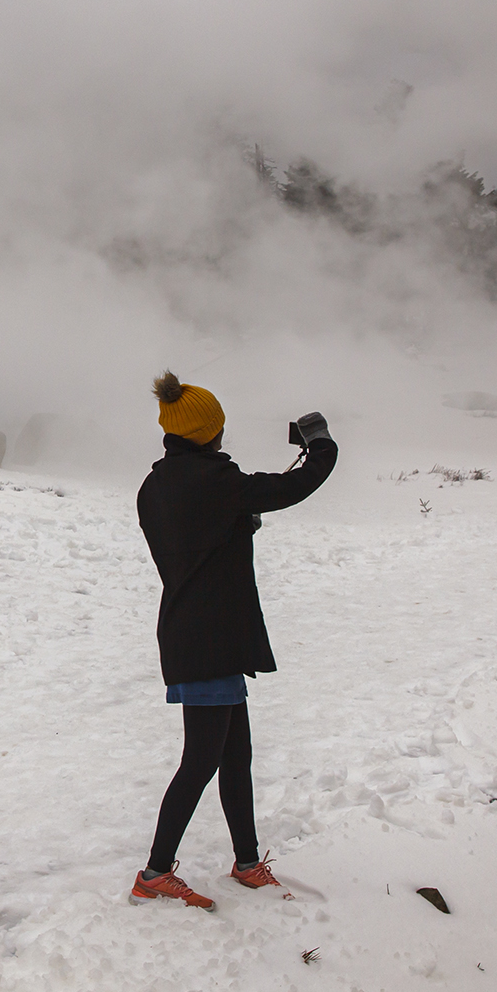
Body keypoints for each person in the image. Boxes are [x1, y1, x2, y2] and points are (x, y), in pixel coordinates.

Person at [129, 371, 337, 910]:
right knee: (201, 760)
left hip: (194, 634)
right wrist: (321, 442)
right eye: (219, 428)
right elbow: (295, 485)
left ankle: (246, 863)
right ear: (206, 433)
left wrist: (237, 522)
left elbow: (194, 538)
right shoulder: (218, 484)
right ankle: (154, 873)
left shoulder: (155, 487)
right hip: (208, 642)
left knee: (235, 754)